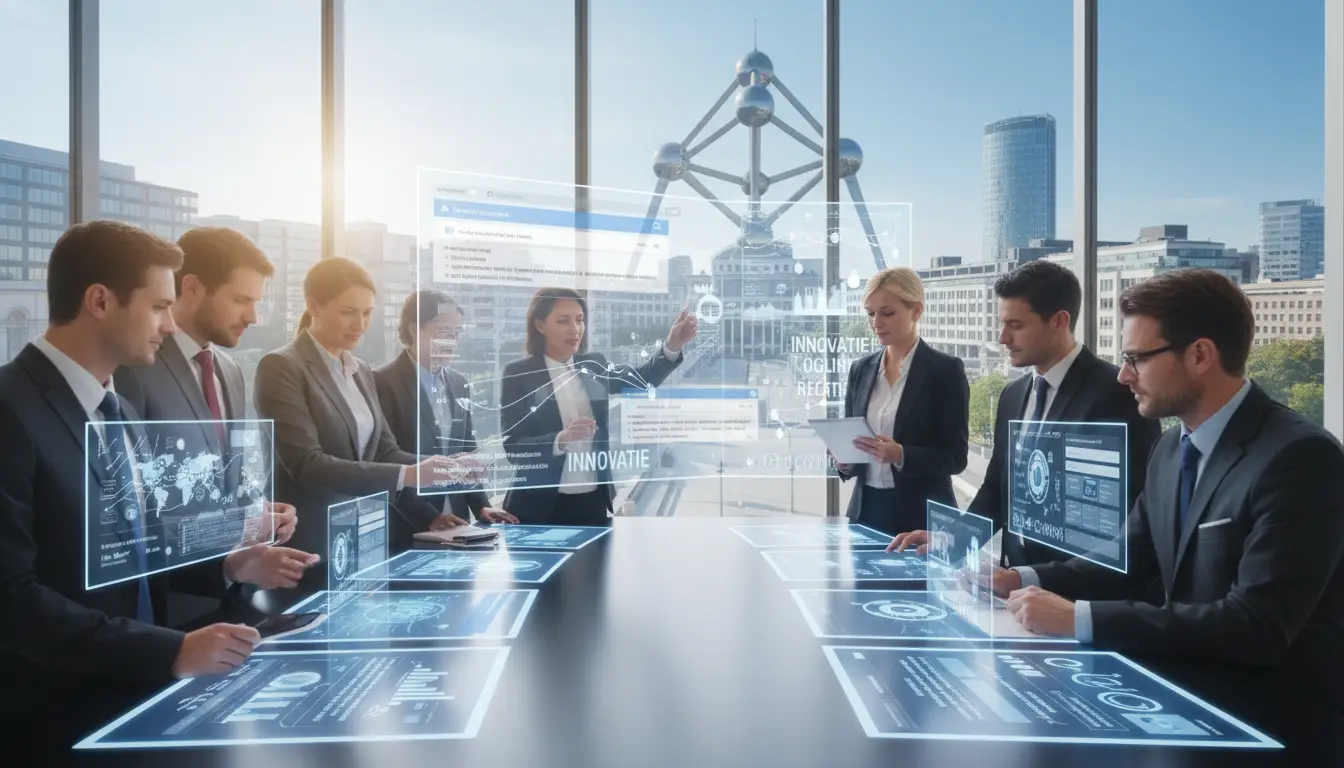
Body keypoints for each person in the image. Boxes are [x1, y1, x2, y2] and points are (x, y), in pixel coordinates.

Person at [985, 268, 1344, 709]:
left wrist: (1080, 617)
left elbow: (1257, 625)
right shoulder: (1171, 448)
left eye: (1137, 358)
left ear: (1200, 355)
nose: (1123, 376)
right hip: (1182, 695)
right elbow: (1128, 560)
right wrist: (1020, 579)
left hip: (1267, 718)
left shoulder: (1300, 458)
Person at [0, 221, 318, 717]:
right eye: (159, 307)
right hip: (52, 709)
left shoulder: (121, 412)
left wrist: (228, 566)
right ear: (100, 301)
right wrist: (168, 651)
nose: (171, 325)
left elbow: (134, 550)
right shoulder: (10, 408)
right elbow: (10, 599)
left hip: (135, 693)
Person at [889, 259, 1161, 565]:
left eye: (1016, 326)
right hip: (1013, 581)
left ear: (1059, 321)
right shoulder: (1013, 394)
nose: (1003, 337)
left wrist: (1051, 582)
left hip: (1078, 587)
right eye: (1002, 324)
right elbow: (998, 488)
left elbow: (1131, 520)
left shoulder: (1118, 394)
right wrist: (952, 538)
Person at [254, 258, 482, 586]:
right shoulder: (281, 366)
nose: (359, 324)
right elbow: (306, 464)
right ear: (313, 306)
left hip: (364, 538)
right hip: (311, 544)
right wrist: (411, 474)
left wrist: (444, 467)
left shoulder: (360, 369)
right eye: (348, 311)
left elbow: (384, 451)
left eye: (367, 313)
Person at [115, 227, 297, 556]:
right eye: (241, 300)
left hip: (232, 574)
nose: (253, 317)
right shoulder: (133, 369)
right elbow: (129, 506)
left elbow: (230, 478)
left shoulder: (230, 370)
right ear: (192, 287)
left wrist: (259, 511)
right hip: (169, 579)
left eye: (255, 302)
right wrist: (239, 527)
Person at [499, 287, 697, 526]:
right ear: (540, 325)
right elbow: (513, 447)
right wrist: (561, 439)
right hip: (537, 507)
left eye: (579, 320)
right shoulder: (518, 373)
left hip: (592, 502)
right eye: (563, 320)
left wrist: (673, 344)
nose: (575, 329)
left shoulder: (593, 364)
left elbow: (641, 379)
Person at [375, 290, 518, 550]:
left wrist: (481, 505)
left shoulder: (458, 382)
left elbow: (466, 451)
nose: (453, 339)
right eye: (445, 331)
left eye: (457, 332)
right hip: (407, 525)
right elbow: (383, 461)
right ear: (414, 329)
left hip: (460, 525)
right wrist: (428, 516)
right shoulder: (382, 382)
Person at [833, 268, 969, 536]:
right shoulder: (860, 370)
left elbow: (956, 458)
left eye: (887, 313)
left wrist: (901, 454)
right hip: (866, 514)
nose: (876, 322)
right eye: (870, 313)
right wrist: (845, 461)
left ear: (916, 311)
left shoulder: (945, 371)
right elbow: (856, 448)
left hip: (923, 519)